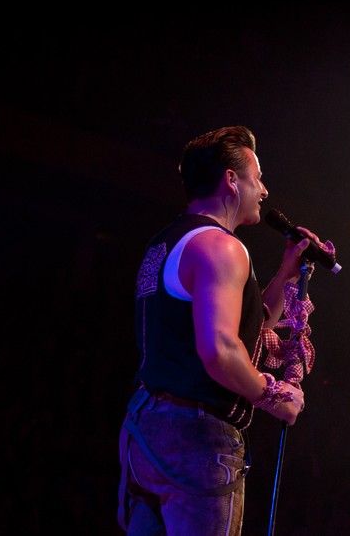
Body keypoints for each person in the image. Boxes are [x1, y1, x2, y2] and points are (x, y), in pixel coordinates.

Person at [117, 125, 330, 535]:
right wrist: (274, 396)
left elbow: (242, 330)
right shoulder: (222, 247)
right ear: (232, 180)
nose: (264, 190)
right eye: (257, 177)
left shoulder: (166, 243)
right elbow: (219, 349)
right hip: (195, 439)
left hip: (146, 431)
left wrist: (286, 274)